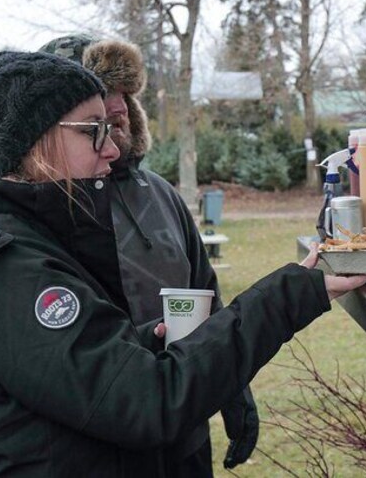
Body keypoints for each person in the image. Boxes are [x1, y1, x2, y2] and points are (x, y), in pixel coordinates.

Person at [0, 41, 366, 476]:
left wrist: (139, 345)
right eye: (93, 129)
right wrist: (290, 295)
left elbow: (57, 380)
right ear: (33, 141)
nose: (113, 147)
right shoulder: (5, 268)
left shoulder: (36, 238)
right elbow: (147, 403)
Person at [40, 34, 255, 474]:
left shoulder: (159, 194)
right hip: (94, 449)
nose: (117, 107)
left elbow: (205, 293)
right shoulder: (40, 207)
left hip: (185, 433)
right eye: (101, 94)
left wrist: (234, 387)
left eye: (122, 94)